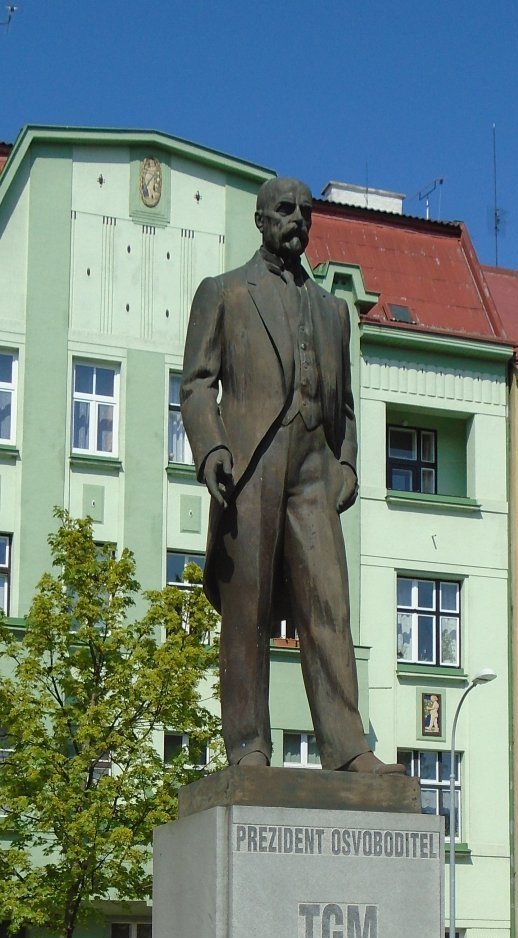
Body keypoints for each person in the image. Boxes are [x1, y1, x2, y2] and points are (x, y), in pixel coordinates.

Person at [180, 176, 401, 774]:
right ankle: (247, 745)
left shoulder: (333, 313)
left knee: (329, 606)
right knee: (246, 610)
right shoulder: (224, 293)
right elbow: (198, 384)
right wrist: (212, 449)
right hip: (251, 462)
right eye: (285, 210)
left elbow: (346, 405)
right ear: (260, 219)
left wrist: (348, 463)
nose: (297, 220)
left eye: (306, 212)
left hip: (314, 468)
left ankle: (348, 745)